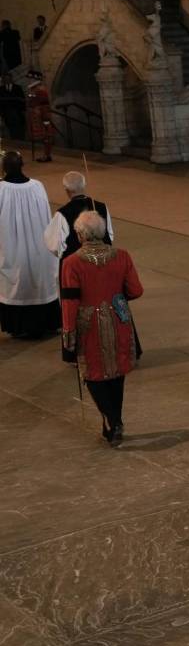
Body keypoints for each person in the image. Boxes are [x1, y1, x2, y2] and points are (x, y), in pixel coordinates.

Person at [60, 211, 143, 445]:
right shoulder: (122, 256)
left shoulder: (71, 263)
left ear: (79, 235)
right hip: (118, 319)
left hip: (89, 325)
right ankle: (116, 420)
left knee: (92, 374)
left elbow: (69, 302)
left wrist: (68, 333)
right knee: (116, 372)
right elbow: (136, 290)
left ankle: (111, 419)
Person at [0, 151, 59, 338]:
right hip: (38, 245)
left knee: (14, 278)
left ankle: (18, 326)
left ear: (4, 168)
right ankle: (46, 323)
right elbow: (45, 216)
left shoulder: (0, 189)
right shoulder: (37, 186)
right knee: (39, 278)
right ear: (22, 165)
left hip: (11, 246)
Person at [44, 171, 115, 264]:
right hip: (102, 262)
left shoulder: (63, 213)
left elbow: (53, 245)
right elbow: (109, 235)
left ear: (66, 189)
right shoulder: (102, 207)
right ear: (84, 185)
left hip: (75, 265)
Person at [25, 71, 52, 162]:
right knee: (43, 137)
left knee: (46, 136)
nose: (29, 80)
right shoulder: (33, 89)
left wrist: (45, 119)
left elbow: (45, 105)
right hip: (36, 116)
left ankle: (47, 155)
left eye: (31, 78)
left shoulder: (40, 90)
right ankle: (46, 154)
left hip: (42, 116)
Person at [0, 73, 24, 140]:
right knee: (10, 126)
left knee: (18, 126)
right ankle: (13, 139)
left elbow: (22, 98)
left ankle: (20, 139)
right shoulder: (1, 89)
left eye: (8, 78)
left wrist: (22, 110)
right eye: (5, 78)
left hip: (17, 111)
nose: (7, 80)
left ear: (11, 79)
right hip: (6, 111)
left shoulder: (18, 87)